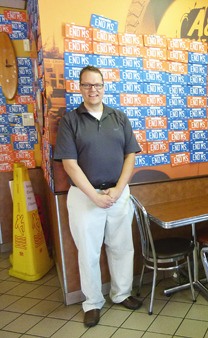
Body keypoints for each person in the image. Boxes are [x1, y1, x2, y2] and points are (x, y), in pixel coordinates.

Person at [54, 65, 142, 327]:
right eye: (87, 85)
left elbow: (131, 156)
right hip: (84, 197)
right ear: (79, 87)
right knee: (89, 253)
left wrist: (117, 189)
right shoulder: (70, 121)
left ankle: (121, 293)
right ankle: (92, 302)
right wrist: (94, 196)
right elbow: (69, 164)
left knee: (122, 247)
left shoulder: (119, 117)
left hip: (118, 193)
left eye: (97, 85)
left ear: (104, 87)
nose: (93, 89)